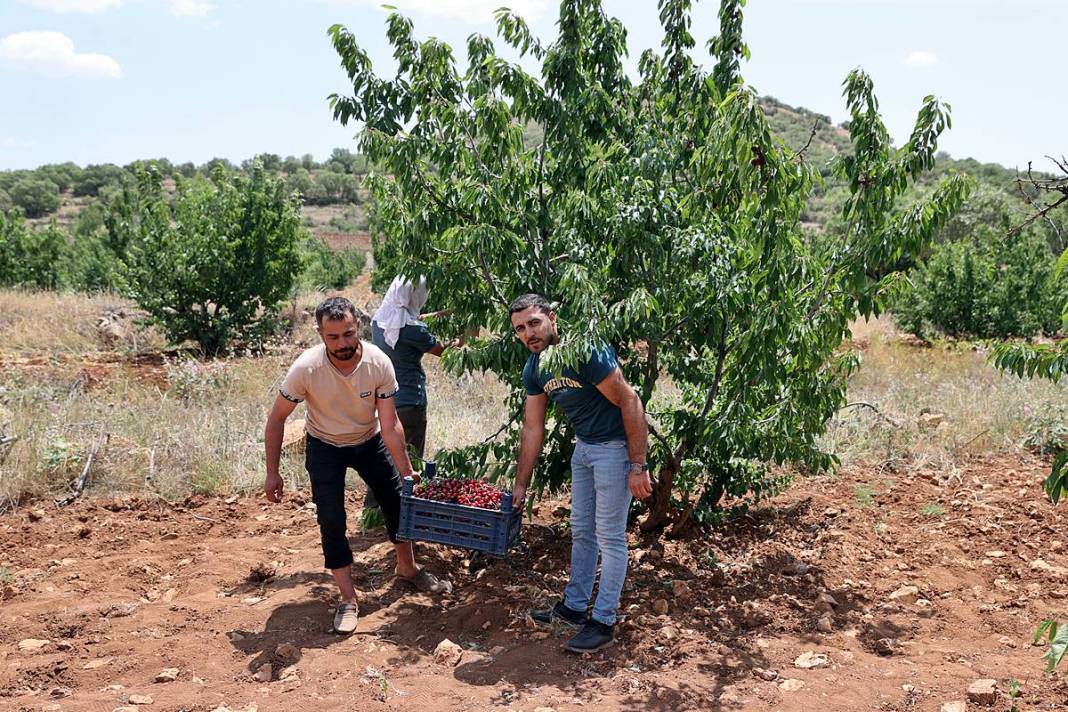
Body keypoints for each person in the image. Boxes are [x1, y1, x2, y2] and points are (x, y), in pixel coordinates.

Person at [263, 296, 450, 635]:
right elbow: (276, 418)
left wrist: (406, 471)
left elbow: (391, 424)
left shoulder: (378, 363)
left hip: (368, 439)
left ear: (358, 328)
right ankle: (348, 598)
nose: (342, 344)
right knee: (331, 519)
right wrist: (272, 471)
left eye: (348, 334)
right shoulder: (306, 368)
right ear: (320, 334)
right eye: (333, 337)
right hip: (324, 445)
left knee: (397, 504)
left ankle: (407, 568)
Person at [509, 293, 651, 653]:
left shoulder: (584, 350)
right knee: (581, 531)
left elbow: (630, 399)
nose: (529, 333)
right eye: (520, 329)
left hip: (614, 450)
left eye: (534, 323)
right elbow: (532, 428)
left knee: (610, 536)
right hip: (584, 449)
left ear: (552, 318)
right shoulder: (536, 368)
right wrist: (521, 484)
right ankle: (573, 608)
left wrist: (638, 465)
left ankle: (602, 622)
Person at [365, 276, 459, 512]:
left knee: (384, 455)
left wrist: (439, 315)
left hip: (383, 401)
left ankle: (373, 508)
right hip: (410, 402)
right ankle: (402, 511)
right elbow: (442, 351)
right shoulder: (414, 330)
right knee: (409, 459)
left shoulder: (380, 321)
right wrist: (463, 339)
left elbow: (409, 319)